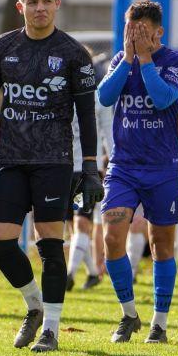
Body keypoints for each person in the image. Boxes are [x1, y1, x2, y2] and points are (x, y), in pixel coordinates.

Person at [0, 0, 102, 353]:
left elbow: (87, 116)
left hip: (54, 162)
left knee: (50, 246)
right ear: (20, 6)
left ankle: (52, 330)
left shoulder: (74, 54)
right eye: (32, 2)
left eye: (46, 1)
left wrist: (89, 167)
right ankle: (33, 305)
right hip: (10, 159)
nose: (39, 8)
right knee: (0, 244)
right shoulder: (2, 47)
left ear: (57, 4)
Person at [97, 0, 178, 344]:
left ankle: (159, 323)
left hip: (163, 169)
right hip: (124, 167)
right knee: (111, 235)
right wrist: (129, 58)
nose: (135, 38)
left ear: (158, 33)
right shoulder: (120, 60)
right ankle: (128, 314)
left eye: (142, 33)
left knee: (161, 244)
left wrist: (146, 60)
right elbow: (105, 96)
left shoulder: (177, 60)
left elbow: (165, 98)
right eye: (130, 31)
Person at [66, 80, 112, 292]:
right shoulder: (60, 94)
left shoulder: (98, 99)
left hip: (87, 171)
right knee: (72, 227)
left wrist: (113, 161)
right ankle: (92, 273)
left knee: (81, 223)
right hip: (62, 169)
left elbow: (108, 133)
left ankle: (69, 274)